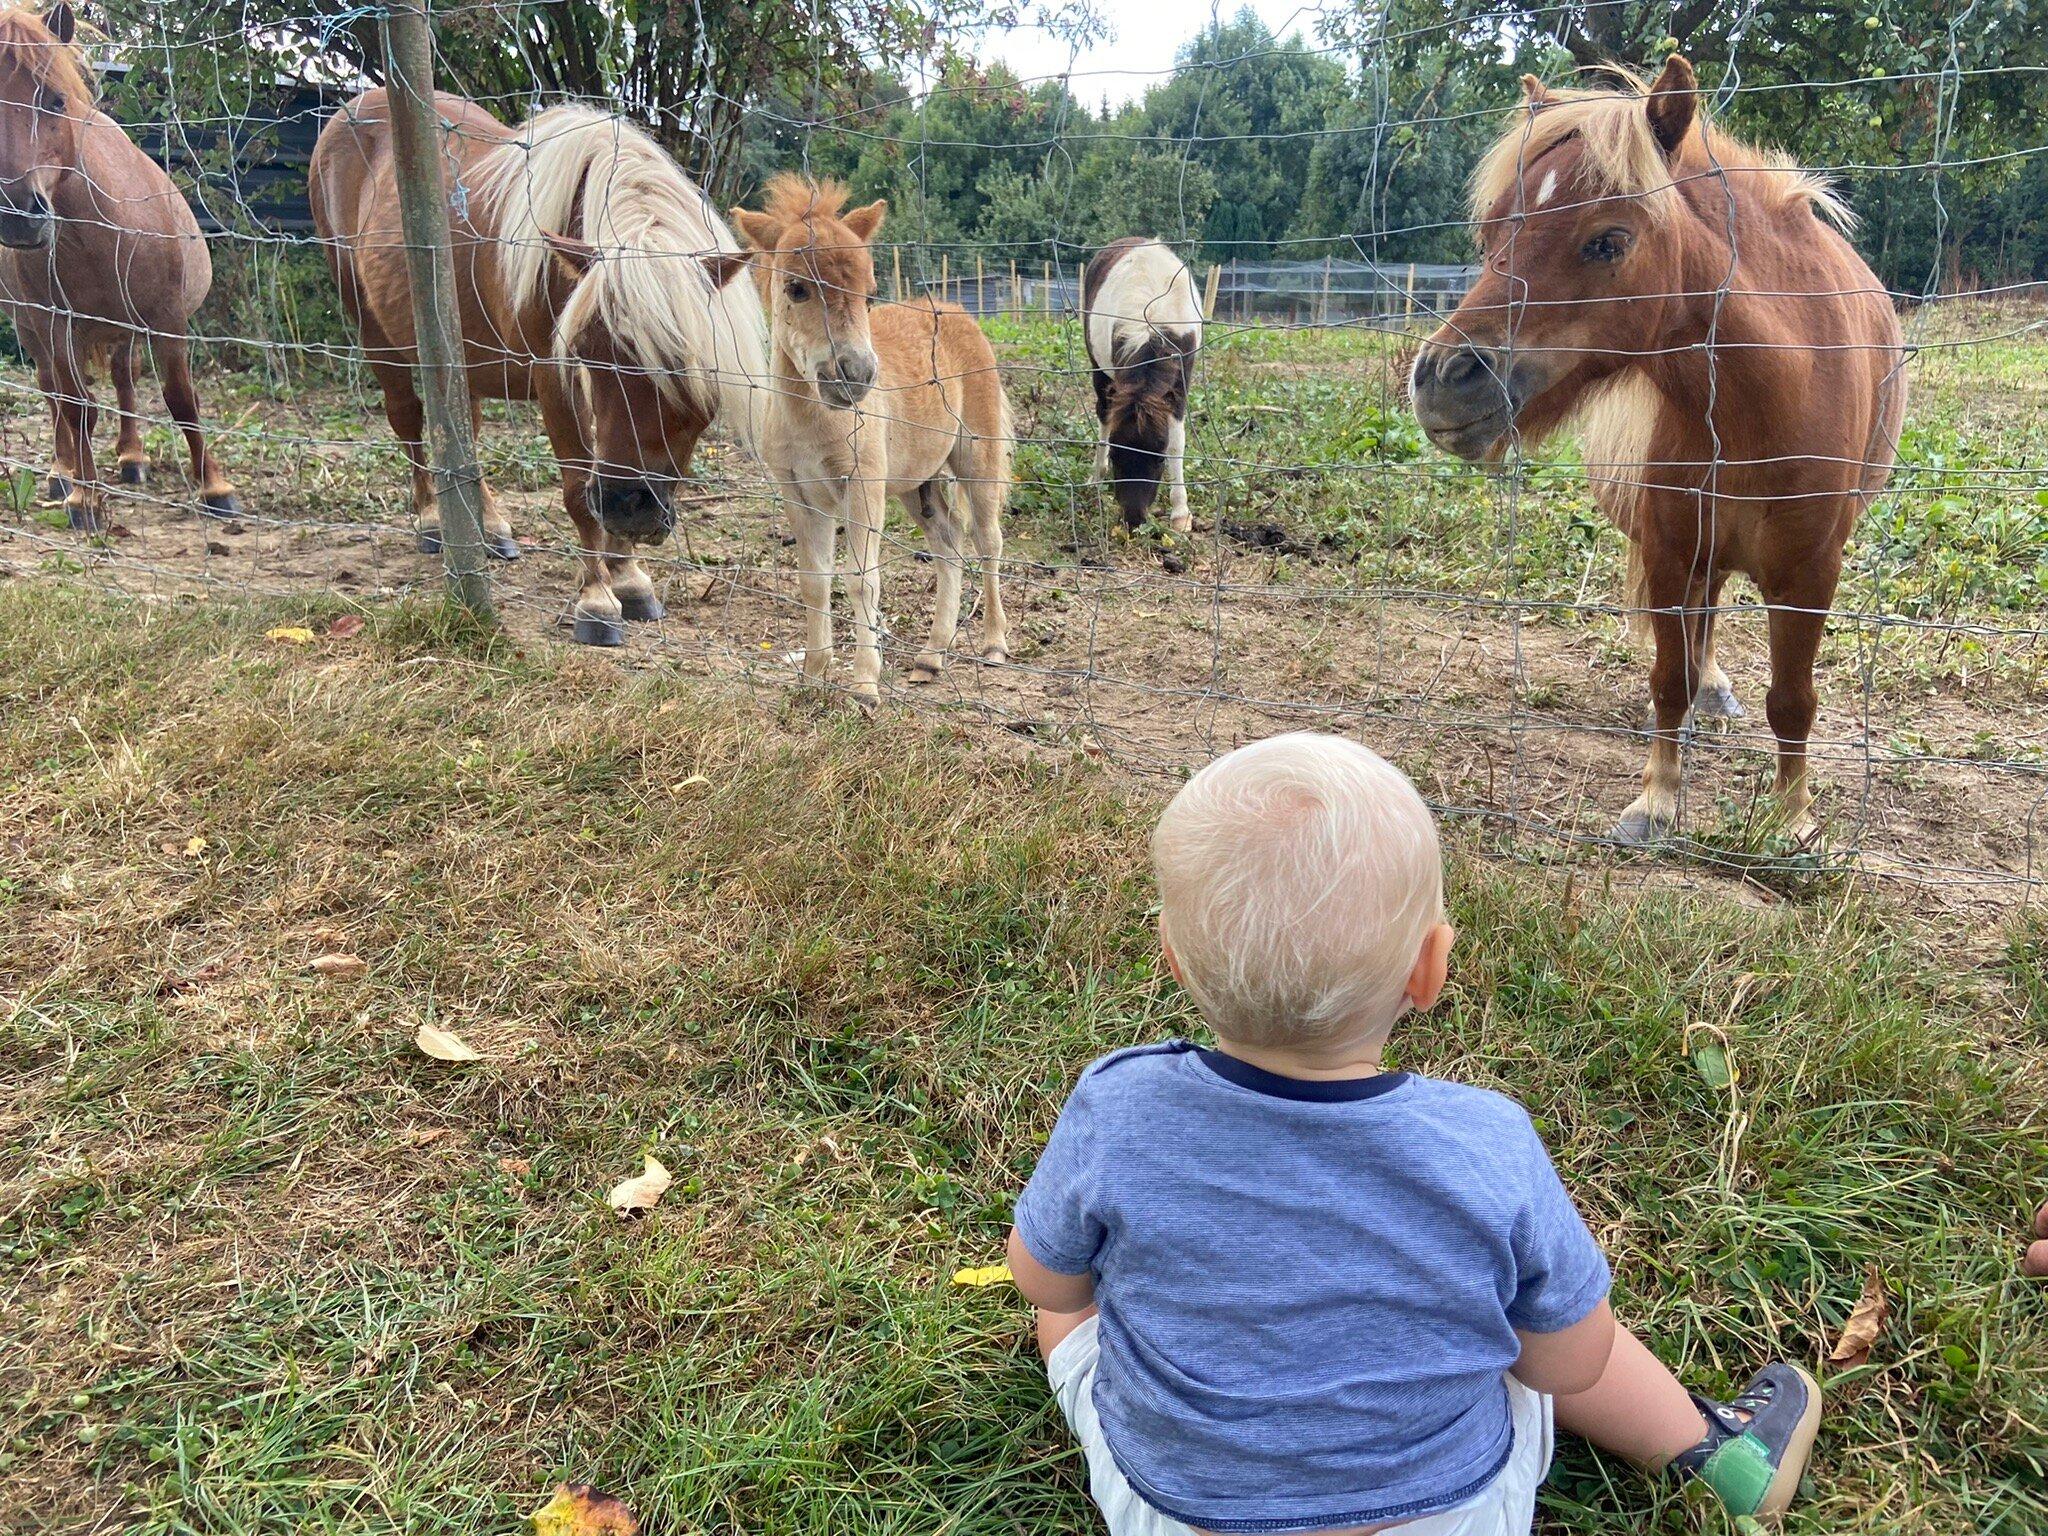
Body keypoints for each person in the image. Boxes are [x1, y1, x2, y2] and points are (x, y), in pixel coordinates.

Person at [1007, 732, 1820, 1534]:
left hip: (1176, 1514)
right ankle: (1722, 1461)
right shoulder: (1484, 1142)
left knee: (1076, 1314)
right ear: (1430, 969)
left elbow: (1046, 1283)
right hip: (1452, 1515)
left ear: (1173, 959)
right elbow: (1569, 1365)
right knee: (1539, 1321)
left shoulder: (1118, 1105)